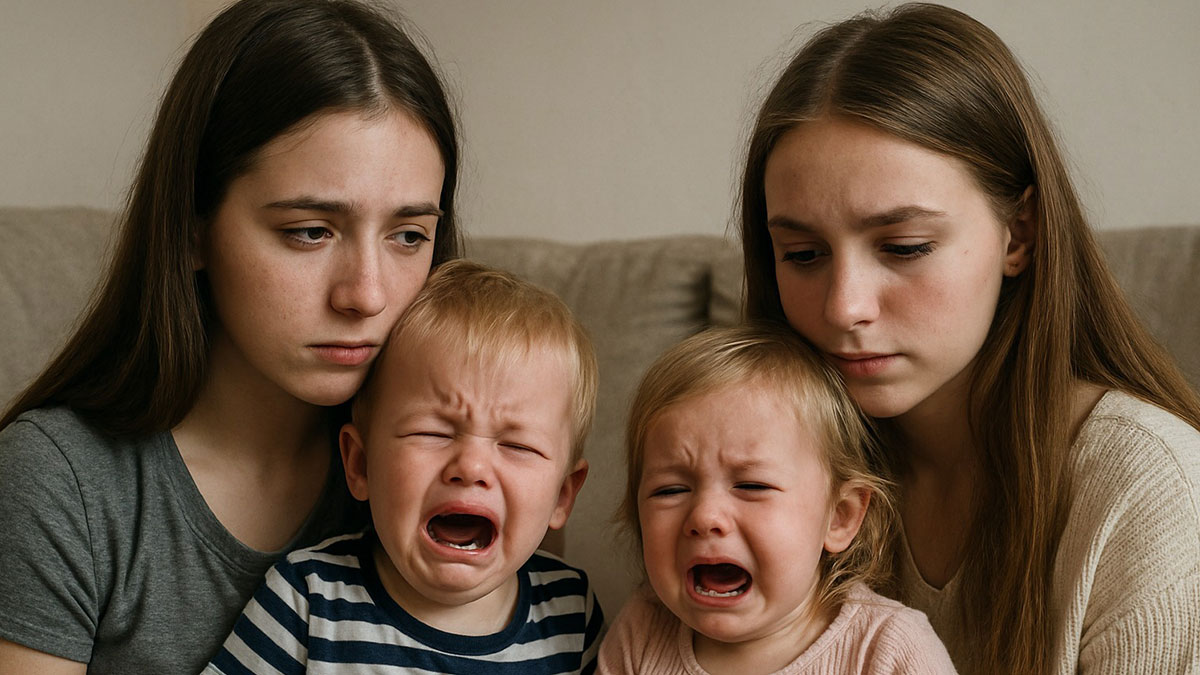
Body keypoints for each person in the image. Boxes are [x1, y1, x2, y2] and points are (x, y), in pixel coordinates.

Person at [738, 3, 1200, 673]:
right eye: (803, 254)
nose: (844, 307)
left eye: (904, 246)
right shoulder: (763, 472)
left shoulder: (1150, 489)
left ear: (1020, 234)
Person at [0, 1, 460, 672]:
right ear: (192, 227)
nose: (366, 294)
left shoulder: (470, 474)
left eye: (409, 236)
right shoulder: (57, 484)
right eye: (310, 231)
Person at [205, 260, 603, 673]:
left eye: (517, 445)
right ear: (360, 464)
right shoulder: (308, 598)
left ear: (562, 495)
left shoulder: (571, 613)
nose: (471, 467)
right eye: (433, 433)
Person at [598, 325, 956, 674]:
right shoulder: (642, 630)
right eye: (670, 490)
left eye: (752, 486)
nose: (705, 516)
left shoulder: (887, 649)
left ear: (839, 517)